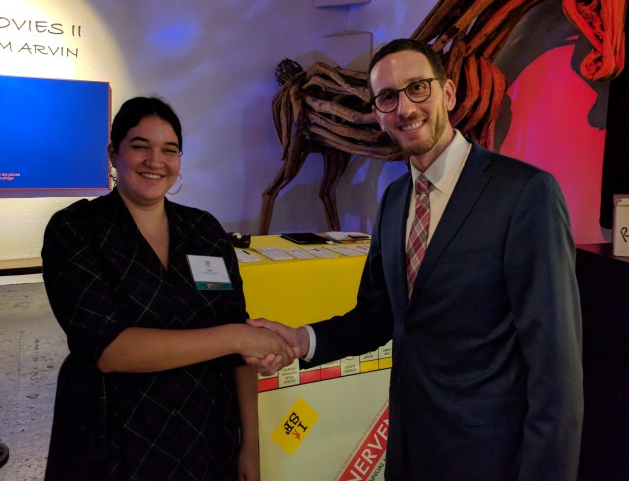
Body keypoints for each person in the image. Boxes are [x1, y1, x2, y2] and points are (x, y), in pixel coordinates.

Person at [249, 39, 584, 480]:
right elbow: (376, 316)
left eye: (418, 88)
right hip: (410, 449)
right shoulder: (395, 200)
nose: (405, 108)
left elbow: (555, 369)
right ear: (377, 112)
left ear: (447, 93)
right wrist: (300, 340)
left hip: (490, 458)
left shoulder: (524, 193)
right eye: (388, 97)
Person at [41, 96, 293, 480]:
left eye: (169, 150)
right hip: (113, 440)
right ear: (113, 152)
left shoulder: (203, 230)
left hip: (205, 435)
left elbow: (239, 347)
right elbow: (109, 350)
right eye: (140, 146)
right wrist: (234, 336)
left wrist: (251, 445)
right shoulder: (76, 229)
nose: (155, 161)